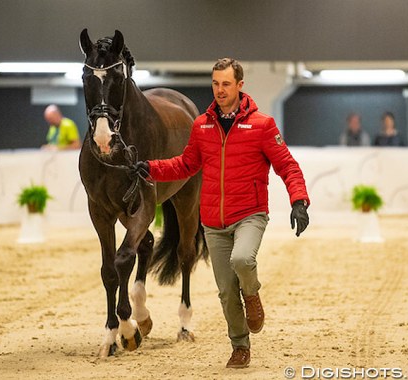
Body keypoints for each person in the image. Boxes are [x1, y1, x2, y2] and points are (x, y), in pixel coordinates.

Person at [130, 58, 310, 368]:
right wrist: (151, 169)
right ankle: (240, 346)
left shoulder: (262, 125)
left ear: (240, 86)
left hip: (250, 214)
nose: (220, 90)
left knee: (243, 260)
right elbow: (185, 165)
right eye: (215, 84)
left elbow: (287, 165)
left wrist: (299, 200)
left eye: (226, 84)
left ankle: (252, 294)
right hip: (213, 221)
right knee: (226, 292)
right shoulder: (202, 126)